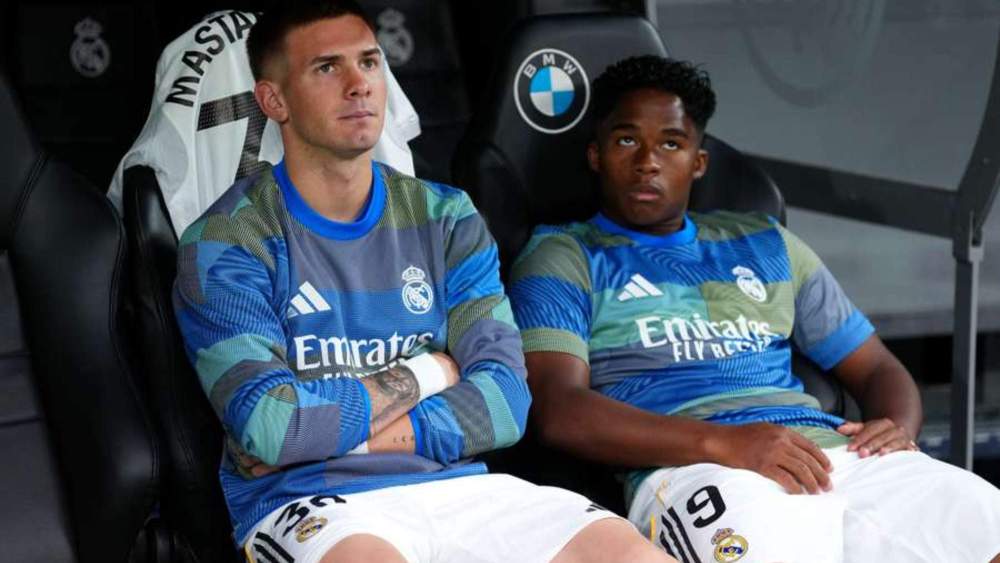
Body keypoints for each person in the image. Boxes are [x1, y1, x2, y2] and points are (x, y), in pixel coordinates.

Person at [172, 2, 671, 562]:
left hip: (459, 488)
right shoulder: (227, 240)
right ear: (274, 100)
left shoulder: (447, 217)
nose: (359, 84)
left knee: (630, 553)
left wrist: (347, 435)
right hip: (311, 500)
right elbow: (274, 426)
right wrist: (432, 370)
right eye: (327, 68)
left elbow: (506, 401)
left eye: (369, 62)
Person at [508, 55, 1000, 563]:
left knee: (988, 526)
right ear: (595, 154)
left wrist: (898, 425)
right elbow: (559, 410)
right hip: (697, 468)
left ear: (698, 162)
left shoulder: (765, 243)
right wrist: (725, 444)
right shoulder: (563, 254)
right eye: (627, 140)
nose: (648, 161)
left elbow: (874, 364)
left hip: (834, 453)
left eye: (671, 143)